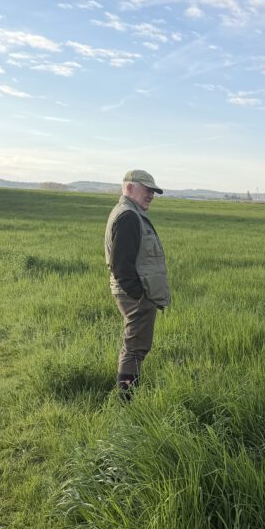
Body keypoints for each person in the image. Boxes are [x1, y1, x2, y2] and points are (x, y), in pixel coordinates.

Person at [104, 169, 171, 399]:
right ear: (130, 187)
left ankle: (128, 396)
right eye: (147, 189)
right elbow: (121, 265)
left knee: (135, 346)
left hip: (133, 293)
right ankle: (127, 400)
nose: (151, 195)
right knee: (134, 349)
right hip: (134, 295)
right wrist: (140, 296)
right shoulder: (128, 216)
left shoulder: (128, 212)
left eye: (153, 191)